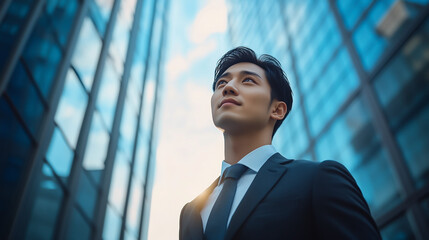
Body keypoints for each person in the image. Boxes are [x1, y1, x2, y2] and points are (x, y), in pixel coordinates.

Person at [179, 47, 381, 240]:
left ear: (277, 110)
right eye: (221, 83)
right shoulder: (190, 211)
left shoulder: (319, 179)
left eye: (248, 80)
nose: (228, 88)